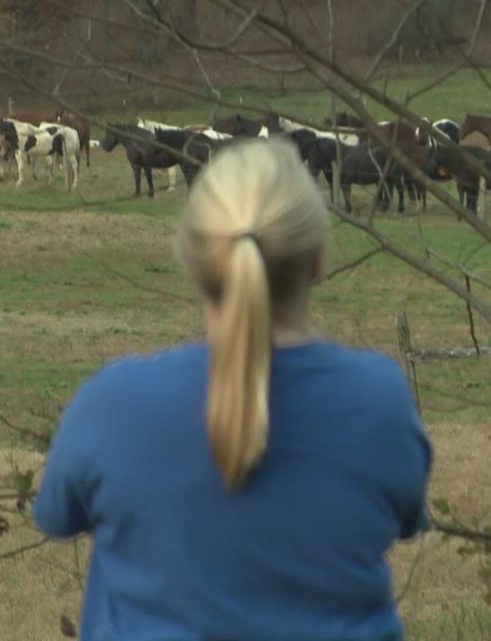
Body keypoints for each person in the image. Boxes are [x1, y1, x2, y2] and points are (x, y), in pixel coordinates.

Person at [32, 137, 432, 641]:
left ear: (194, 263)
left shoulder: (110, 405)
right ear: (315, 261)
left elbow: (56, 518)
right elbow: (405, 516)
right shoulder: (380, 403)